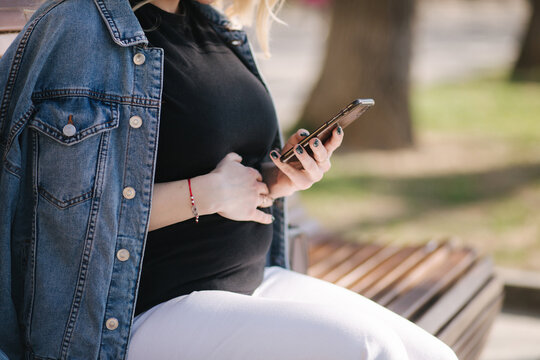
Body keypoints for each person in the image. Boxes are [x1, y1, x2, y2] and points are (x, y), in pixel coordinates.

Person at [0, 0, 458, 359]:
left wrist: (274, 181)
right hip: (136, 315)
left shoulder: (213, 28)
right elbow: (61, 224)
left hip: (251, 281)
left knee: (434, 355)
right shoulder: (80, 28)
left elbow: (205, 165)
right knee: (367, 349)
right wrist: (204, 195)